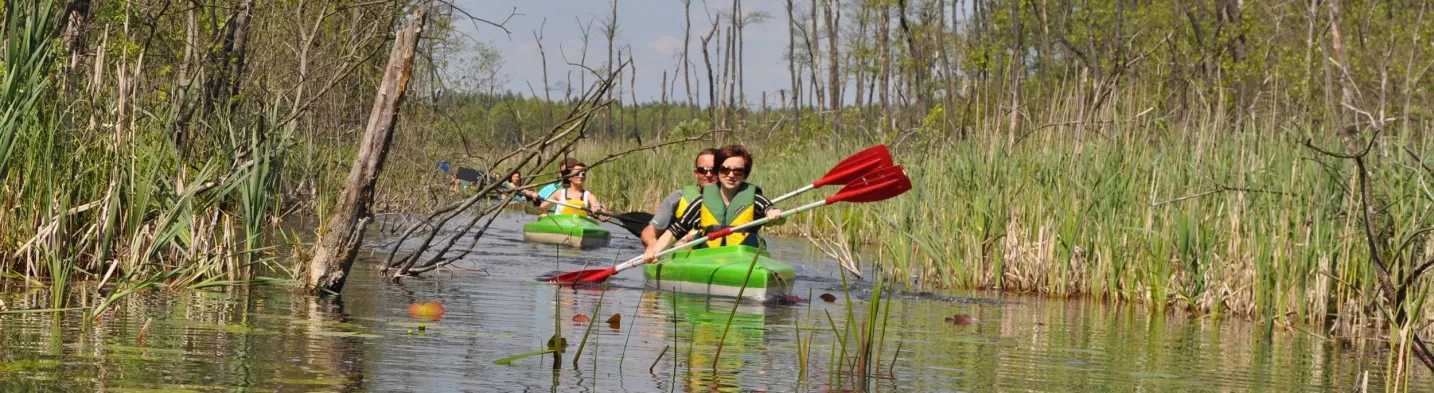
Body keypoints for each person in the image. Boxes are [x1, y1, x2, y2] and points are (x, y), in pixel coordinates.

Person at [642, 145, 782, 263]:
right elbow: (674, 232)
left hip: (744, 261)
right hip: (707, 260)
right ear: (718, 172)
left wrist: (774, 214)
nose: (731, 175)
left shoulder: (756, 200)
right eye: (725, 170)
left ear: (745, 174)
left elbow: (772, 213)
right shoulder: (700, 203)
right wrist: (654, 251)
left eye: (738, 171)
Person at [640, 148, 719, 247]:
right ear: (696, 172)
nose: (708, 175)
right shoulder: (677, 197)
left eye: (714, 170)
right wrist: (654, 247)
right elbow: (648, 232)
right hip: (682, 255)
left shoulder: (731, 199)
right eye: (702, 170)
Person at [538, 161, 610, 219]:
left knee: (589, 218)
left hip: (580, 226)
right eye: (577, 174)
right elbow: (543, 209)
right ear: (569, 177)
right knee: (543, 216)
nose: (581, 176)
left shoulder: (589, 196)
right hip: (560, 226)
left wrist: (598, 210)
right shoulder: (559, 194)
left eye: (583, 174)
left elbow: (594, 205)